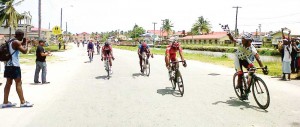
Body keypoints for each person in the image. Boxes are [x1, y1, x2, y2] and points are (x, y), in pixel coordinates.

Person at [226, 32, 267, 99]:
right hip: (238, 59)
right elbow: (232, 39)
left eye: (243, 39)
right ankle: (241, 89)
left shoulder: (252, 48)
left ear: (248, 41)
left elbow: (258, 58)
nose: (242, 40)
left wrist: (263, 68)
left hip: (245, 59)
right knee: (240, 73)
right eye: (242, 39)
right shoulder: (240, 42)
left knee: (252, 69)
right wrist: (229, 35)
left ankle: (248, 84)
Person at [2, 29, 33, 108]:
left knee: (8, 83)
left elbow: (18, 45)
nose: (22, 38)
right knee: (18, 83)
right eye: (22, 36)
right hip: (14, 66)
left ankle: (5, 102)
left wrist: (24, 42)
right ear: (20, 35)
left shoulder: (10, 41)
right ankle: (23, 102)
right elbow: (24, 51)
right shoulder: (16, 42)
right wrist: (26, 44)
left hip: (8, 65)